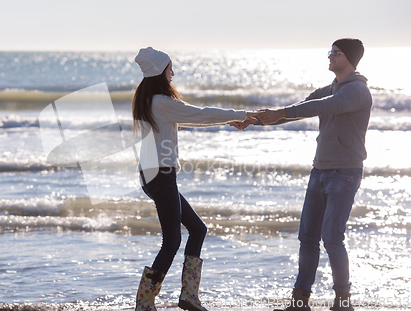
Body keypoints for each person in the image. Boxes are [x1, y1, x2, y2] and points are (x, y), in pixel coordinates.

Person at [236, 38, 372, 311]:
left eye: (336, 53)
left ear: (351, 58)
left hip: (344, 173)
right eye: (330, 52)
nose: (330, 56)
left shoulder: (356, 91)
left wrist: (280, 113)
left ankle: (343, 303)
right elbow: (301, 108)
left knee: (332, 238)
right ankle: (299, 303)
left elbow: (320, 107)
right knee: (307, 237)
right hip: (319, 170)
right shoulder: (330, 88)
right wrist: (256, 118)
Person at [132, 47, 255, 311]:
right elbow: (199, 114)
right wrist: (240, 115)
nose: (173, 73)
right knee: (172, 241)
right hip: (161, 175)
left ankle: (188, 295)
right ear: (159, 71)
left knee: (198, 229)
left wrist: (229, 120)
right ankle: (144, 302)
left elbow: (194, 118)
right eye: (169, 69)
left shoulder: (150, 100)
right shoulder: (161, 103)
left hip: (153, 174)